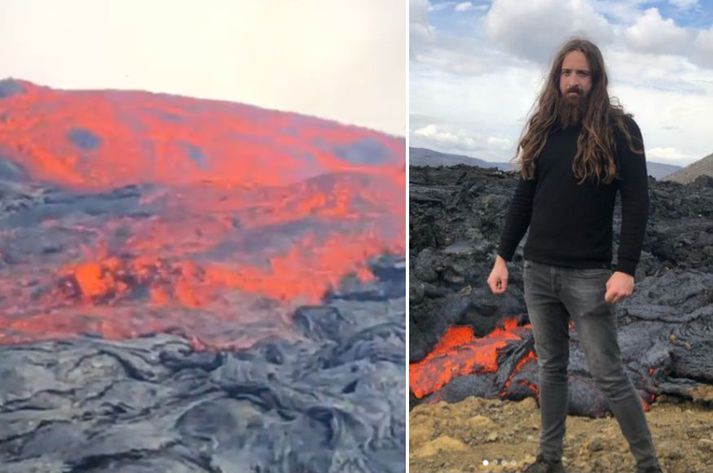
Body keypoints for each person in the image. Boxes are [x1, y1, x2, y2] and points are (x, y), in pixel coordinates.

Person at [486, 38, 662, 473]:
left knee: (609, 374)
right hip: (538, 270)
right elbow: (524, 197)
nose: (573, 81)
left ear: (596, 79)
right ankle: (549, 461)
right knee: (551, 369)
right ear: (556, 78)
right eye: (566, 73)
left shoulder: (621, 130)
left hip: (589, 276)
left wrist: (626, 268)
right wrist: (502, 256)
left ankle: (648, 465)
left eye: (582, 74)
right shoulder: (545, 128)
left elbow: (637, 203)